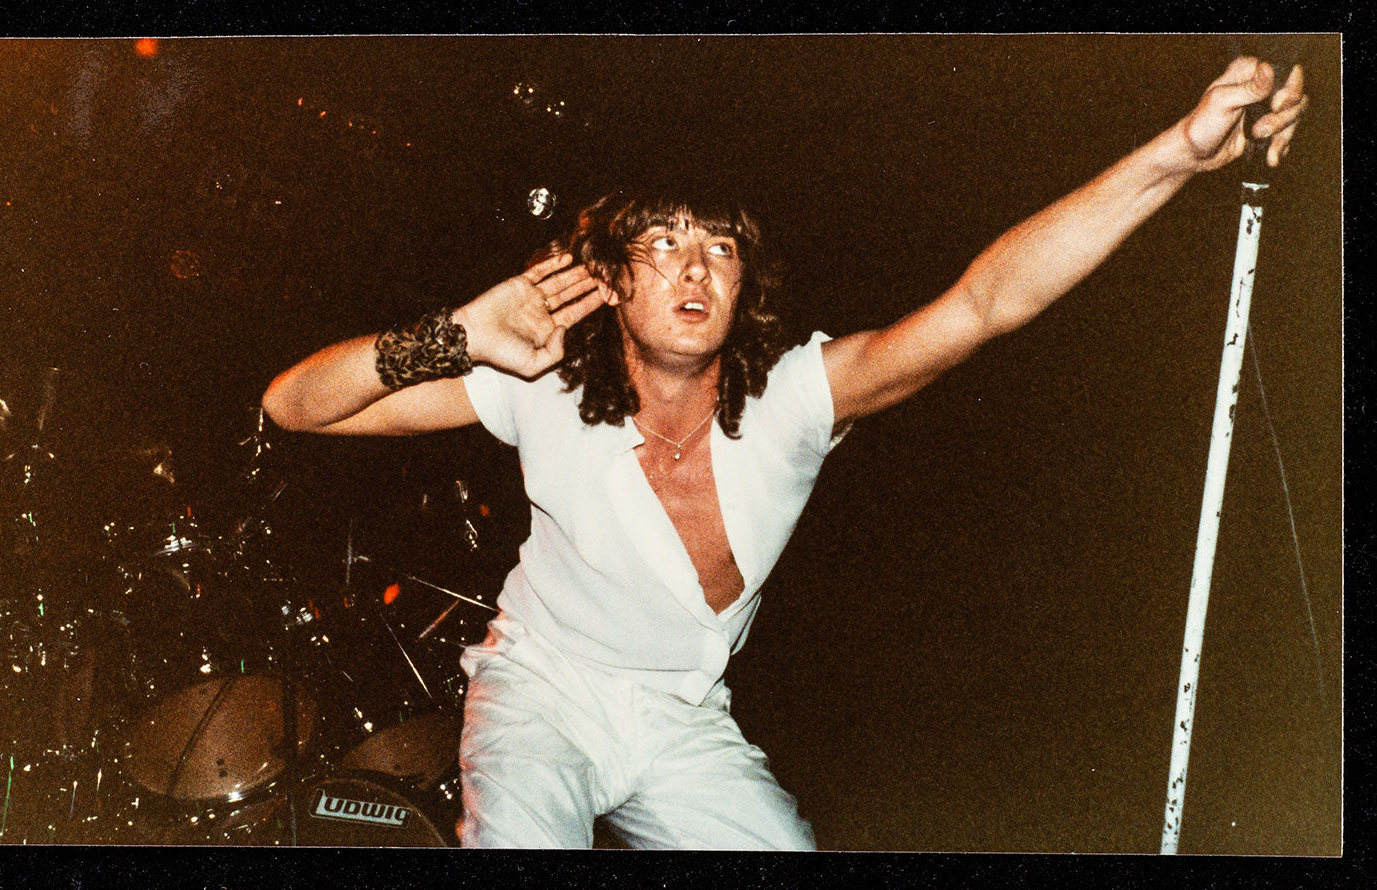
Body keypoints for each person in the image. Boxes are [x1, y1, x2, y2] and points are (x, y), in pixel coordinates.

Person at [261, 56, 1307, 849]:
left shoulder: (794, 400)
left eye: (718, 245)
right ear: (609, 279)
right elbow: (294, 405)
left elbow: (986, 303)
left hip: (684, 717)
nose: (695, 267)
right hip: (540, 691)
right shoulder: (539, 383)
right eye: (662, 241)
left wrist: (1178, 155)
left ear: (742, 282)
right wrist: (454, 333)